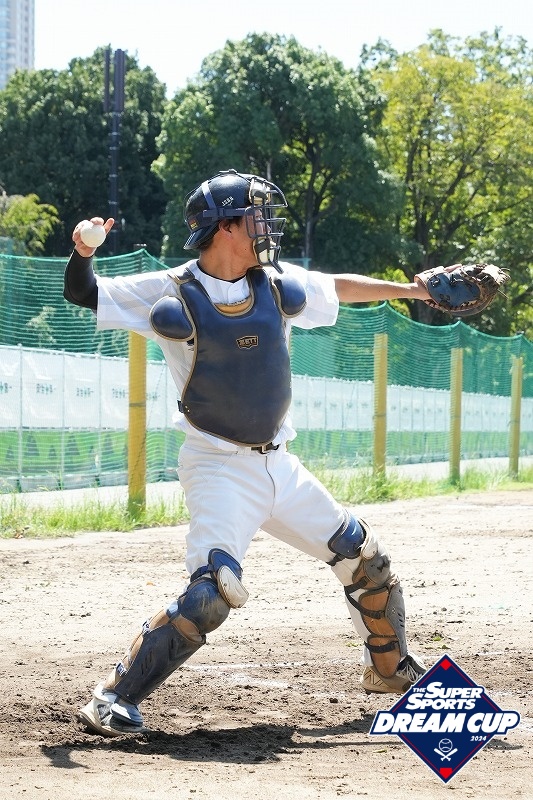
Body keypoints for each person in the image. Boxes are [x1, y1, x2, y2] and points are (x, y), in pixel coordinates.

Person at [64, 168, 431, 737]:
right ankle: (113, 698)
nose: (267, 227)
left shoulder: (275, 281)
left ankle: (390, 672)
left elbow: (338, 286)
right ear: (226, 227)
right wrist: (84, 251)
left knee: (367, 561)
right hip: (218, 466)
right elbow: (84, 292)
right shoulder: (171, 288)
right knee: (213, 592)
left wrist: (414, 291)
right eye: (257, 216)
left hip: (279, 463)